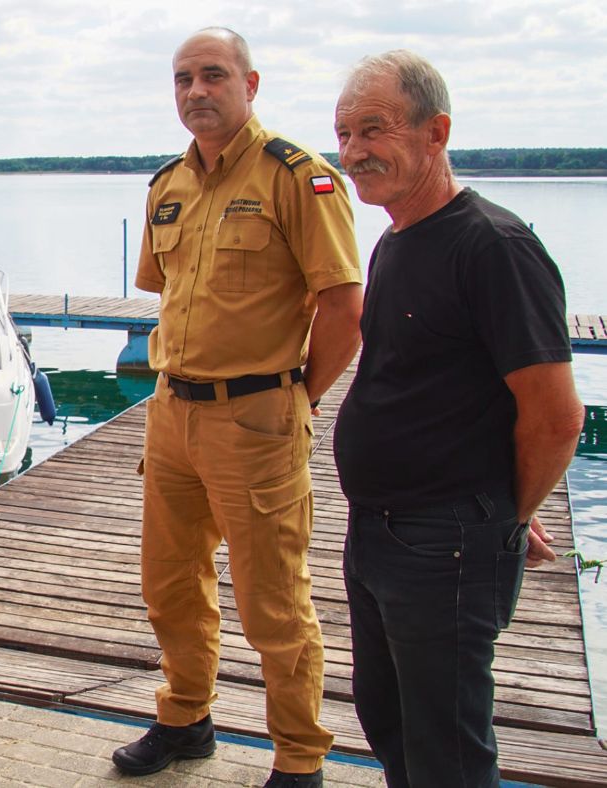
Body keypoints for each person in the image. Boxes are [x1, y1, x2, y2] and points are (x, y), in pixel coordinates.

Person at [111, 28, 364, 787]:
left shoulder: (299, 176)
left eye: (213, 75)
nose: (197, 91)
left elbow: (344, 307)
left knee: (273, 603)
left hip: (256, 417)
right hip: (172, 413)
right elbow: (165, 291)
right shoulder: (169, 185)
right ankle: (185, 718)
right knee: (171, 585)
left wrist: (297, 398)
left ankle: (298, 757)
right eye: (183, 78)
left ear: (250, 84)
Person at [332, 51, 583, 787]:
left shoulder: (494, 246)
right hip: (377, 531)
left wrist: (506, 512)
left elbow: (556, 417)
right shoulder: (394, 240)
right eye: (343, 134)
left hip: (443, 544)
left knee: (449, 751)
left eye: (373, 130)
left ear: (435, 131)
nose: (352, 152)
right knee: (388, 719)